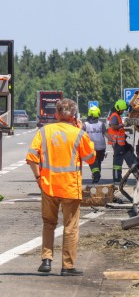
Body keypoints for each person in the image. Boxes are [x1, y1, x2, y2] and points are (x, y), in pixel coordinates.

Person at [26, 98, 96, 276]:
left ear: (56, 114)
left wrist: (38, 178)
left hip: (49, 186)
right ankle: (67, 266)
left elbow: (32, 158)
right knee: (70, 226)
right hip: (70, 187)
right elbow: (91, 158)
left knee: (48, 223)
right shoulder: (78, 134)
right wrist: (81, 131)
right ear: (74, 116)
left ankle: (47, 260)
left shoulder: (44, 131)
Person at [107, 99, 136, 184]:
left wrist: (124, 134)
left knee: (129, 150)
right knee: (117, 162)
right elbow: (113, 127)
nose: (123, 111)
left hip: (119, 142)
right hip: (117, 143)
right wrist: (123, 125)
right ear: (119, 109)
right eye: (122, 110)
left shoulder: (116, 115)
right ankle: (117, 179)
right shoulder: (115, 116)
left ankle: (134, 170)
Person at [83, 106, 108, 184]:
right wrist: (113, 141)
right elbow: (106, 134)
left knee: (93, 162)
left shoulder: (85, 125)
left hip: (90, 147)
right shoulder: (101, 124)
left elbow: (80, 135)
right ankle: (96, 175)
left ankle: (96, 174)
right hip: (101, 147)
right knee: (98, 162)